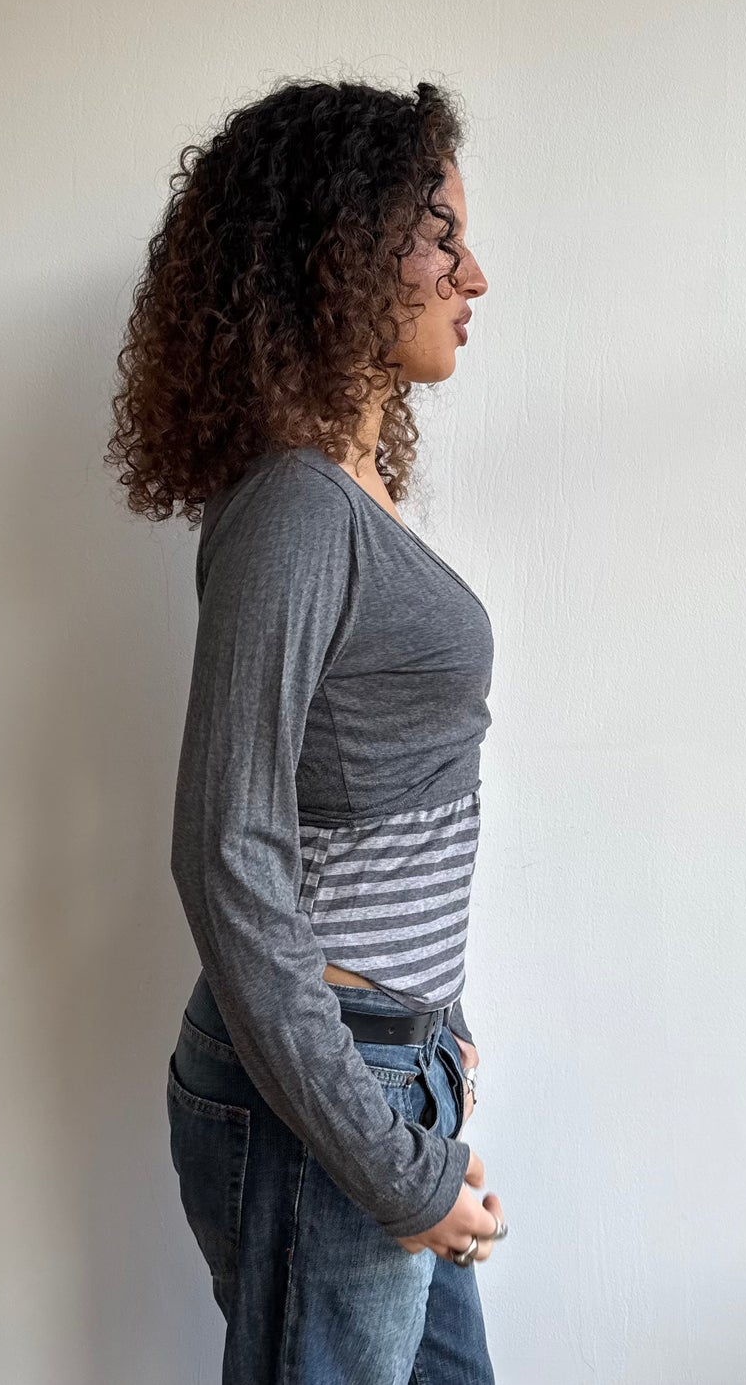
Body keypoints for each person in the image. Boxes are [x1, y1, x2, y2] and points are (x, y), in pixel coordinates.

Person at [107, 76, 506, 1384]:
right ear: (341, 248)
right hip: (326, 1102)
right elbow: (224, 851)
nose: (473, 272)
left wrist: (431, 1034)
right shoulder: (292, 508)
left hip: (389, 1069)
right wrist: (390, 1159)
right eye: (438, 234)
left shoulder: (343, 491)